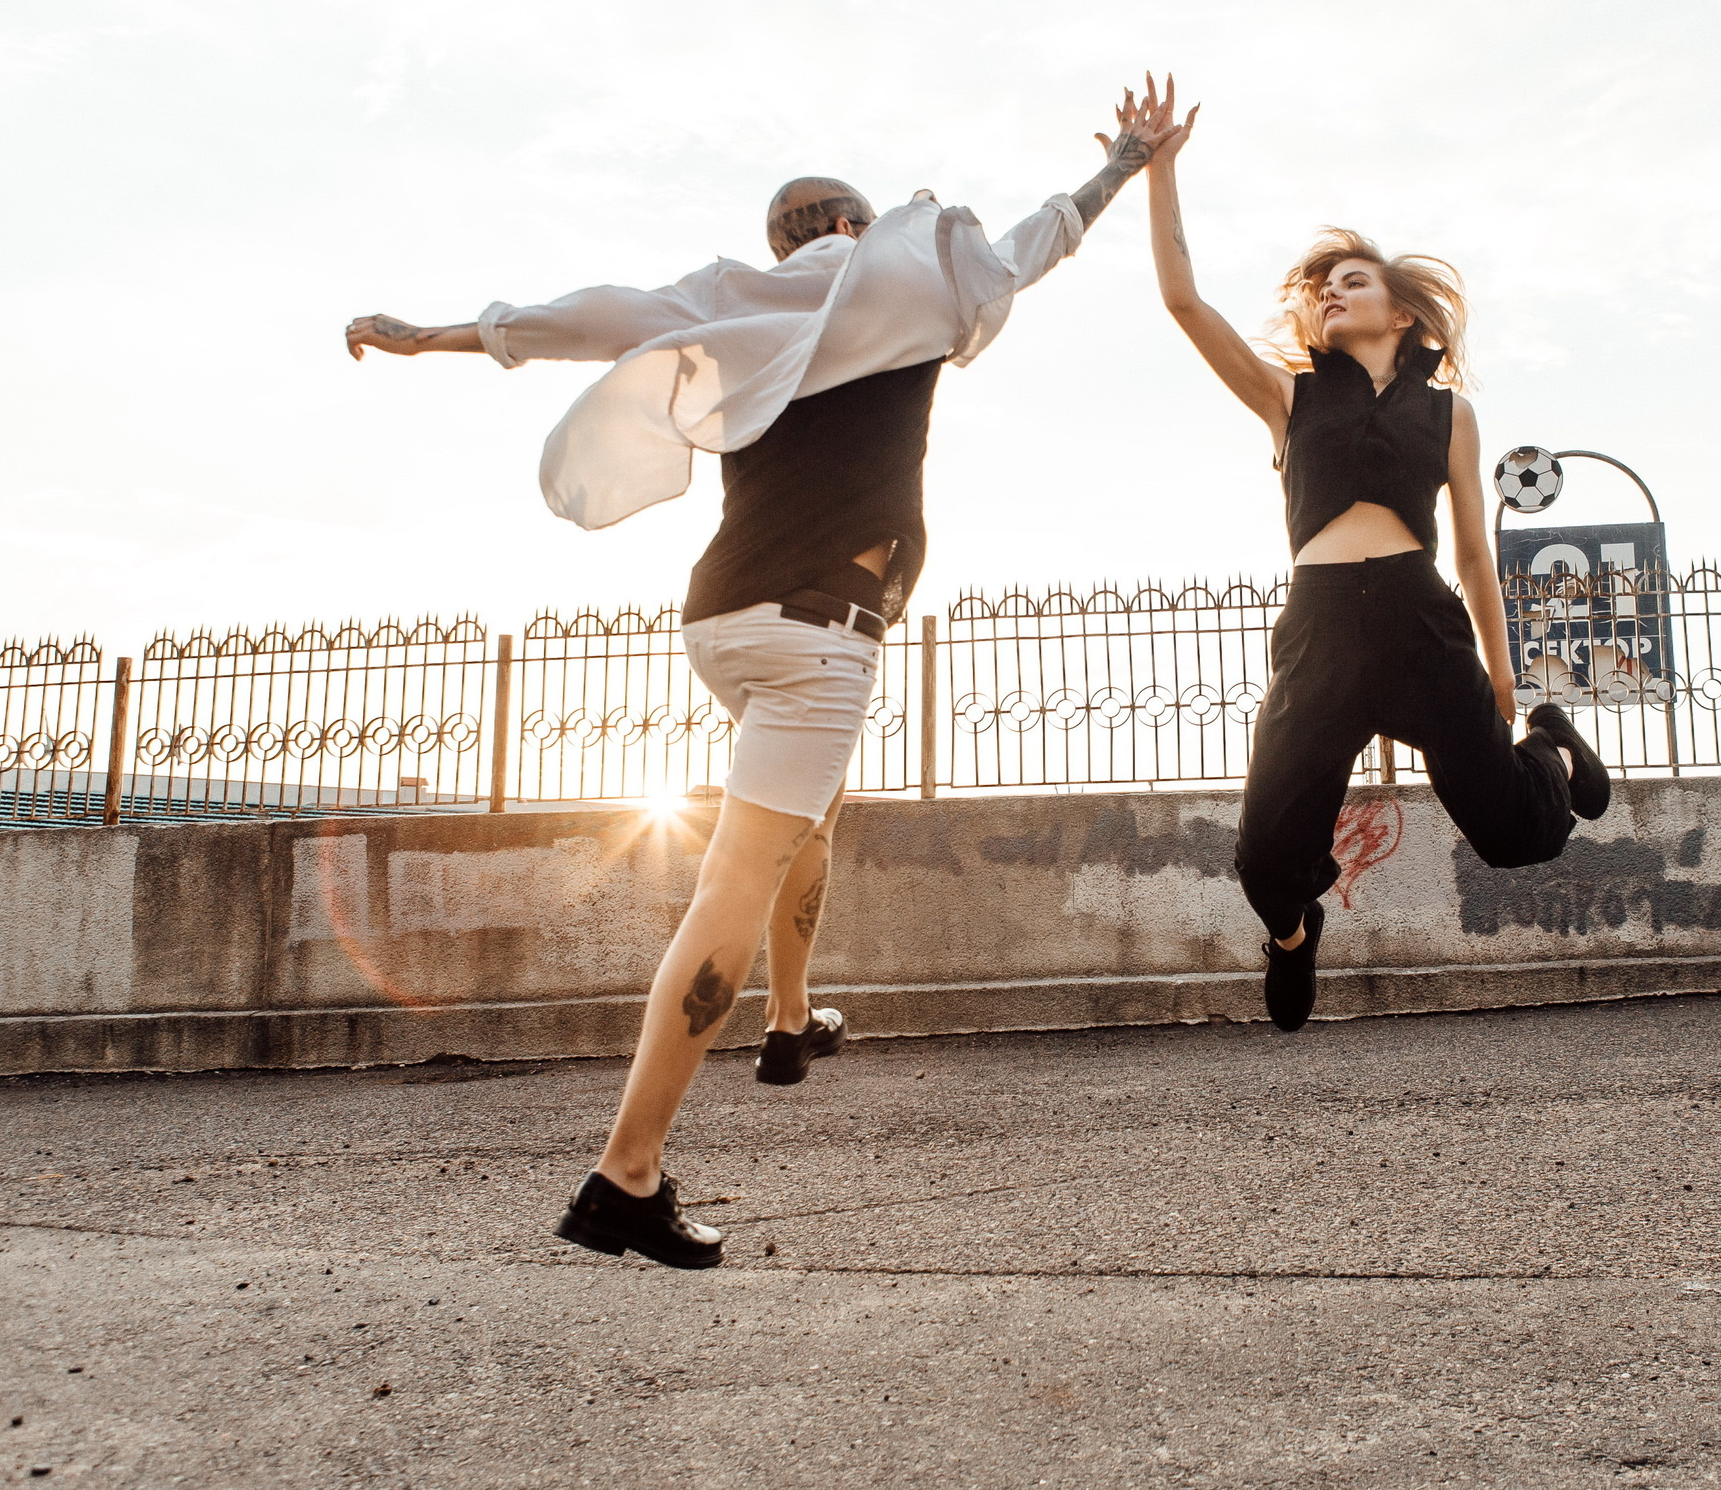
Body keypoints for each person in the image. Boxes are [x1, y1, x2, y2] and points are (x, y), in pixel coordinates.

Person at [343, 82, 1168, 1267]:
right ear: (855, 224)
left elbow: (581, 317)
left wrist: (432, 335)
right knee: (733, 882)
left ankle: (788, 1018)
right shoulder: (905, 274)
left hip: (722, 620)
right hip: (819, 635)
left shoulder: (726, 298)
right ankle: (624, 1176)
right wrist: (1127, 161)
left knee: (802, 822)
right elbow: (1037, 241)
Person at [1137, 79, 1612, 1033]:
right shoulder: (1292, 399)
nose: (1329, 291)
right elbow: (1184, 302)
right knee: (1265, 854)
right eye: (1323, 285)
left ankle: (1552, 747)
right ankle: (1292, 933)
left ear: (1401, 313)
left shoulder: (1450, 414)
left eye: (1352, 280)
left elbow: (1475, 551)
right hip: (1317, 628)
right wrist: (1160, 172)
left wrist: (1504, 669)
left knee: (1519, 835)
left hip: (1419, 619)